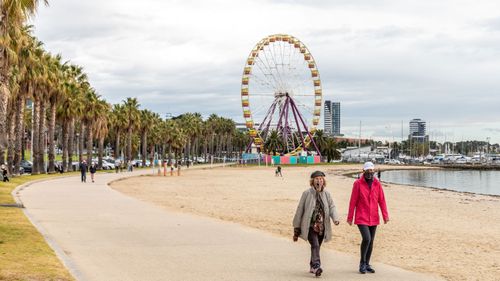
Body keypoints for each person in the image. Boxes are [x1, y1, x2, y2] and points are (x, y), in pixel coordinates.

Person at [293, 170, 340, 277]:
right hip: (309, 225)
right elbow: (300, 209)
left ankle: (312, 266)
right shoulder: (306, 193)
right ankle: (316, 266)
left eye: (321, 179)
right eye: (316, 179)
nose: (319, 181)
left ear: (323, 181)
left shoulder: (327, 194)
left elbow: (332, 207)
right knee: (315, 244)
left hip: (322, 226)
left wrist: (335, 218)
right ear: (312, 181)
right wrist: (296, 227)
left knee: (317, 246)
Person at [347, 161, 389, 274]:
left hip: (374, 217)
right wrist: (350, 217)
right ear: (363, 171)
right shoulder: (357, 184)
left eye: (372, 170)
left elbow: (382, 200)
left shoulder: (377, 183)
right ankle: (362, 263)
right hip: (361, 217)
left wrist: (385, 215)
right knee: (367, 238)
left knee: (371, 241)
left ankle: (367, 263)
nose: (370, 173)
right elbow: (353, 201)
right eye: (368, 170)